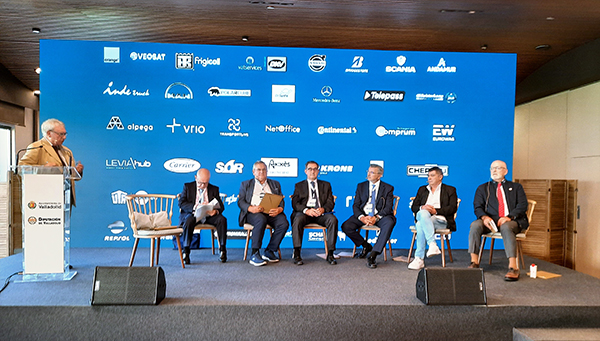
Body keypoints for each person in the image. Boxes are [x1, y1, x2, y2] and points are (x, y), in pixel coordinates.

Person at [468, 160, 529, 281]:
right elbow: (477, 206)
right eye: (492, 168)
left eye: (498, 168)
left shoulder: (516, 187)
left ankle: (513, 267)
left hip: (512, 220)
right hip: (490, 221)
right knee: (475, 225)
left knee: (506, 227)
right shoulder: (483, 188)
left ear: (506, 171)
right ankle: (474, 262)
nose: (494, 171)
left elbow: (523, 205)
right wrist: (484, 217)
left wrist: (509, 217)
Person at [341, 164, 396, 269]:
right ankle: (366, 246)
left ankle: (373, 254)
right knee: (346, 226)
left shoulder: (388, 188)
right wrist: (362, 217)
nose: (368, 174)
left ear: (380, 175)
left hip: (380, 216)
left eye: (372, 172)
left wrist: (376, 217)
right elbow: (356, 205)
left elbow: (388, 207)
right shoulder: (361, 186)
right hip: (364, 215)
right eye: (368, 171)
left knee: (390, 222)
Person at [19, 118, 84, 206]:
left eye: (65, 134)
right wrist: (43, 169)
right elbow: (21, 168)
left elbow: (70, 176)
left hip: (65, 199)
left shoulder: (67, 151)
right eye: (61, 134)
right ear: (49, 133)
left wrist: (77, 171)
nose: (64, 137)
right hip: (46, 199)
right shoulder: (37, 147)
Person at [238, 161, 289, 266]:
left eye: (264, 170)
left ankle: (269, 250)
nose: (262, 172)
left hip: (271, 212)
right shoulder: (245, 184)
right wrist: (250, 208)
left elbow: (281, 199)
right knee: (260, 219)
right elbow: (241, 201)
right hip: (254, 213)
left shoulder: (275, 184)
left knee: (283, 223)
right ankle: (254, 253)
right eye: (259, 170)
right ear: (253, 172)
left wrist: (280, 209)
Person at [407, 166, 458, 270]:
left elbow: (452, 208)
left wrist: (436, 211)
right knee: (423, 214)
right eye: (428, 176)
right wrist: (423, 207)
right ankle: (432, 244)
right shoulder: (422, 189)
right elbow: (414, 207)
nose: (429, 178)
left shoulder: (450, 190)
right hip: (424, 218)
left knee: (420, 224)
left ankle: (419, 259)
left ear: (440, 177)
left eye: (432, 175)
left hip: (440, 220)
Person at [290, 161, 338, 265]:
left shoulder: (326, 185)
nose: (313, 171)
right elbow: (295, 203)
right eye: (310, 169)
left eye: (315, 169)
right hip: (305, 214)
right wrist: (306, 210)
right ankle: (297, 253)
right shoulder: (299, 185)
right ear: (305, 171)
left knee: (333, 219)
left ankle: (330, 253)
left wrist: (323, 209)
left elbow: (330, 202)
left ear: (318, 171)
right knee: (297, 218)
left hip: (321, 215)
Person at [178, 168, 227, 264]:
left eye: (205, 183)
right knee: (188, 221)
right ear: (196, 178)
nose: (202, 186)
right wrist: (194, 207)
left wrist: (215, 211)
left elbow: (221, 206)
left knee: (222, 219)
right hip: (193, 215)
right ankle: (186, 251)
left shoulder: (214, 189)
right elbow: (181, 203)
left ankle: (222, 250)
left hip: (208, 216)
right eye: (200, 183)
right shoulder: (188, 187)